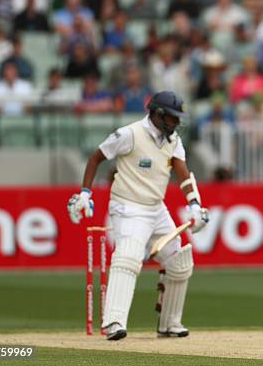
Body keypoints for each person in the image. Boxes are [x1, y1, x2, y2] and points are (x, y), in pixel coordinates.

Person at [67, 91, 210, 341]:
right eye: (172, 119)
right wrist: (86, 193)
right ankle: (113, 322)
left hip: (156, 208)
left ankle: (169, 324)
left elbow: (183, 174)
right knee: (129, 256)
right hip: (128, 206)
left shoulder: (173, 140)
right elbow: (96, 158)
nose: (175, 124)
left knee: (179, 261)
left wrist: (195, 205)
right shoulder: (129, 134)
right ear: (157, 114)